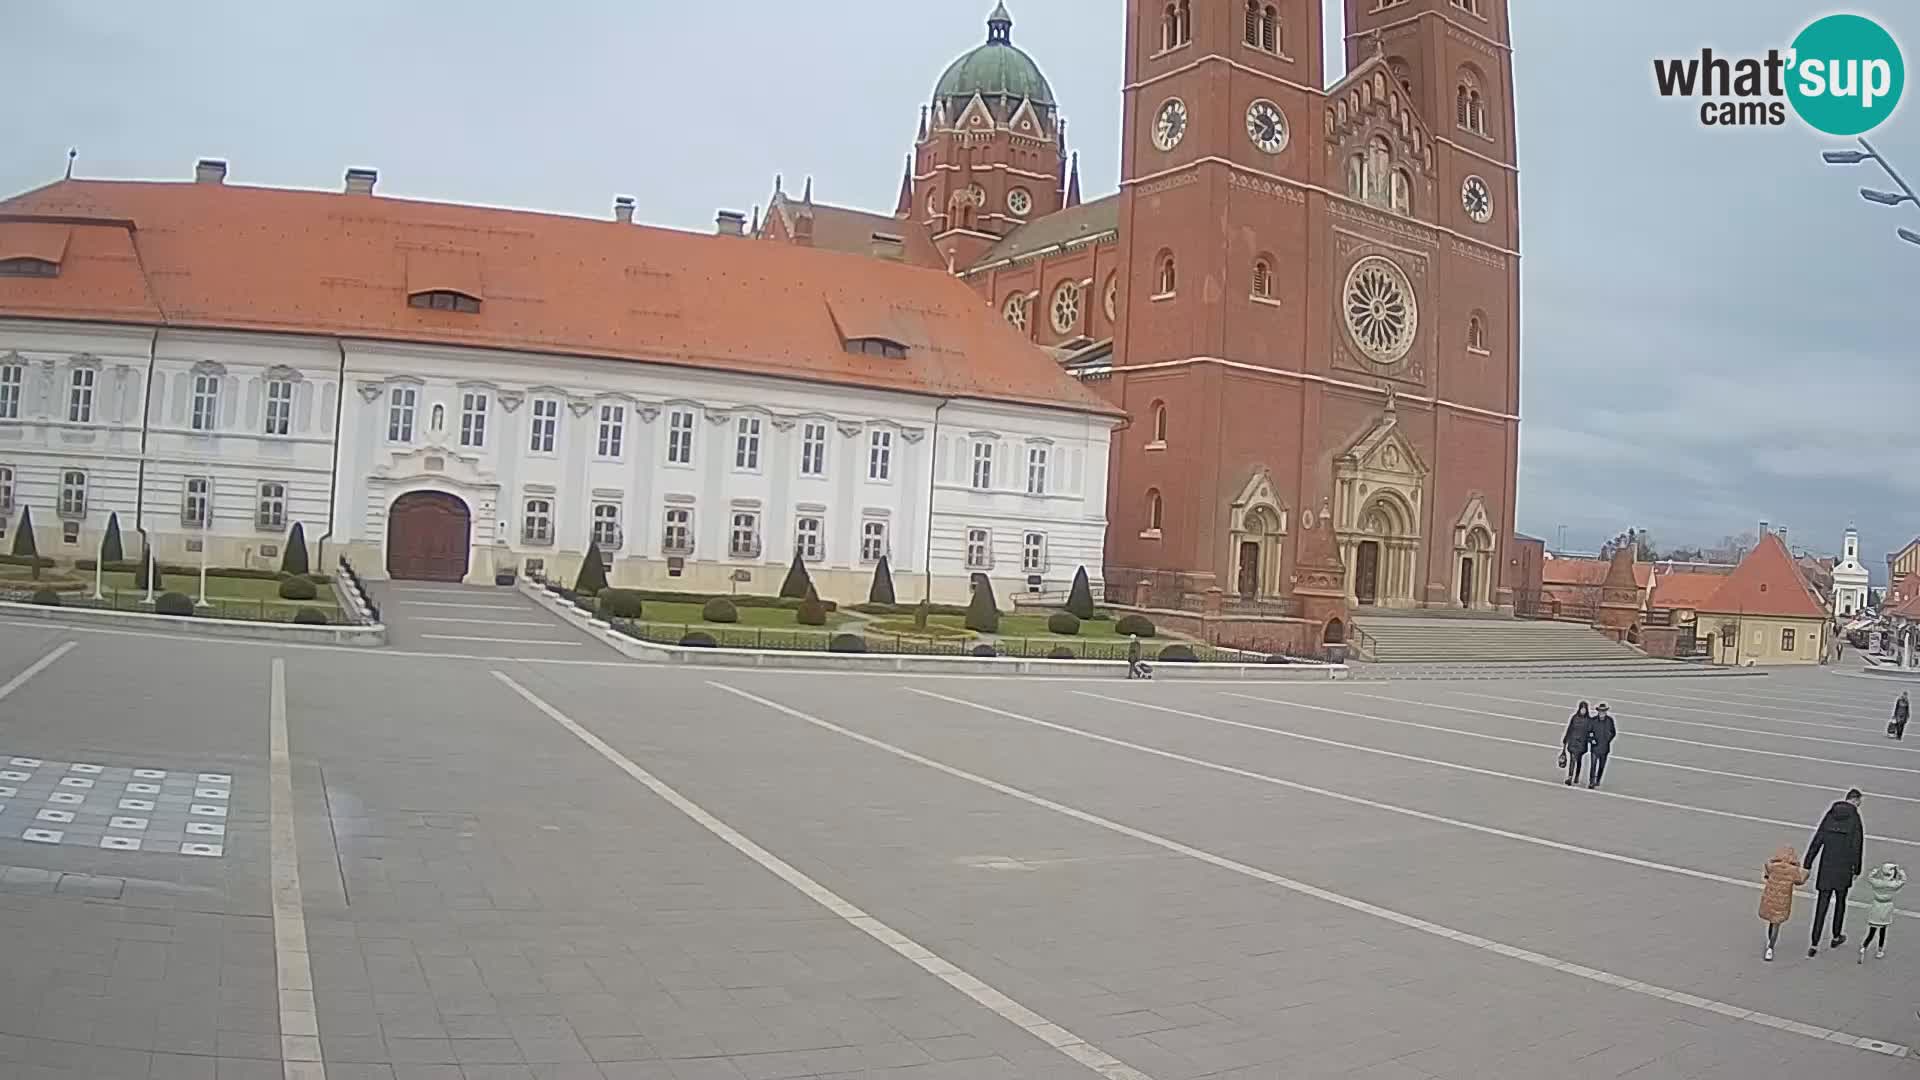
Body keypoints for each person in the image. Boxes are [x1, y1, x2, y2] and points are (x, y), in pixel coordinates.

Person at [1804, 789, 1866, 957]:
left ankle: (1814, 943)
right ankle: (1836, 935)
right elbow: (1857, 846)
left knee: (1821, 905)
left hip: (1826, 867)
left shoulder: (1830, 814)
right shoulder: (1855, 818)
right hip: (1843, 869)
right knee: (1840, 903)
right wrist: (1856, 869)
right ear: (1855, 800)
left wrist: (1807, 864)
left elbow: (1818, 839)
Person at [1758, 845, 1808, 962]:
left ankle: (1769, 941)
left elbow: (1766, 874)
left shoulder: (1772, 866)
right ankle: (1770, 947)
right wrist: (1806, 874)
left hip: (1770, 898)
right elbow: (1799, 881)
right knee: (1777, 923)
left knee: (1771, 921)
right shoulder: (1793, 870)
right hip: (1783, 901)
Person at [1861, 862, 1905, 962]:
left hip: (1876, 905)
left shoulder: (1877, 883)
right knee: (1882, 930)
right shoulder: (1893, 885)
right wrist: (1901, 872)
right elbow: (1902, 881)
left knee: (1872, 930)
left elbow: (1870, 878)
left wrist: (1874, 872)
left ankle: (1864, 947)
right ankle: (1879, 950)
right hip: (1886, 907)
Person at [1561, 701, 1593, 787]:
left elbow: (1590, 732)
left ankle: (1577, 775)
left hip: (1582, 743)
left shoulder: (1589, 720)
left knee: (1579, 760)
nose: (1583, 711)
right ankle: (1570, 776)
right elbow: (1570, 728)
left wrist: (1591, 740)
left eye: (1584, 709)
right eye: (1582, 709)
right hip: (1573, 741)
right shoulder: (1574, 718)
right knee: (1572, 759)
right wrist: (1565, 739)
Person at [1588, 703, 1617, 789]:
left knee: (1601, 766)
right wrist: (1592, 740)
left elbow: (1613, 732)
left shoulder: (1610, 720)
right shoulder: (1593, 720)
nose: (1602, 713)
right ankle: (1591, 781)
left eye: (1604, 711)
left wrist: (1608, 739)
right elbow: (1589, 732)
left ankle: (1598, 780)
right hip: (1595, 747)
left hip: (1605, 748)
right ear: (1598, 711)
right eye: (1601, 711)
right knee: (1593, 765)